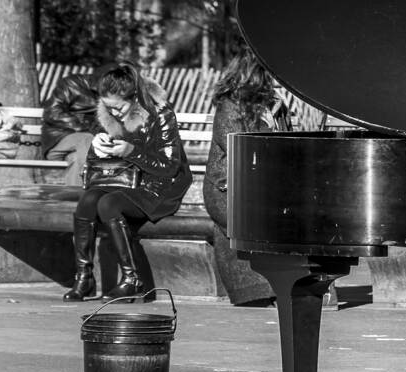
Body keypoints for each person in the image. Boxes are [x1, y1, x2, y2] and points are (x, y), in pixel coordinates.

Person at [62, 63, 193, 302]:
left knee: (108, 204)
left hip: (159, 185)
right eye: (108, 107)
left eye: (118, 107)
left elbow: (169, 166)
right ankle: (84, 277)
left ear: (134, 97)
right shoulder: (107, 112)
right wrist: (97, 146)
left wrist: (131, 150)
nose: (113, 113)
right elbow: (99, 162)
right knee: (88, 200)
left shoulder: (160, 114)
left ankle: (132, 279)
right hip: (124, 178)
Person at [202, 48, 291, 307]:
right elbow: (238, 147)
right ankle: (258, 290)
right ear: (256, 76)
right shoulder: (230, 105)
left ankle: (283, 287)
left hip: (260, 185)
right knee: (260, 218)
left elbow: (287, 144)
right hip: (228, 189)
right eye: (269, 75)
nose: (275, 80)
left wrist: (276, 114)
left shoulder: (273, 104)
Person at [41, 64, 115, 187]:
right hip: (59, 140)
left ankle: (74, 199)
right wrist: (84, 127)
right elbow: (52, 112)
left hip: (83, 149)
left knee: (76, 158)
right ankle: (90, 183)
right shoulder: (72, 84)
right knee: (86, 138)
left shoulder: (113, 96)